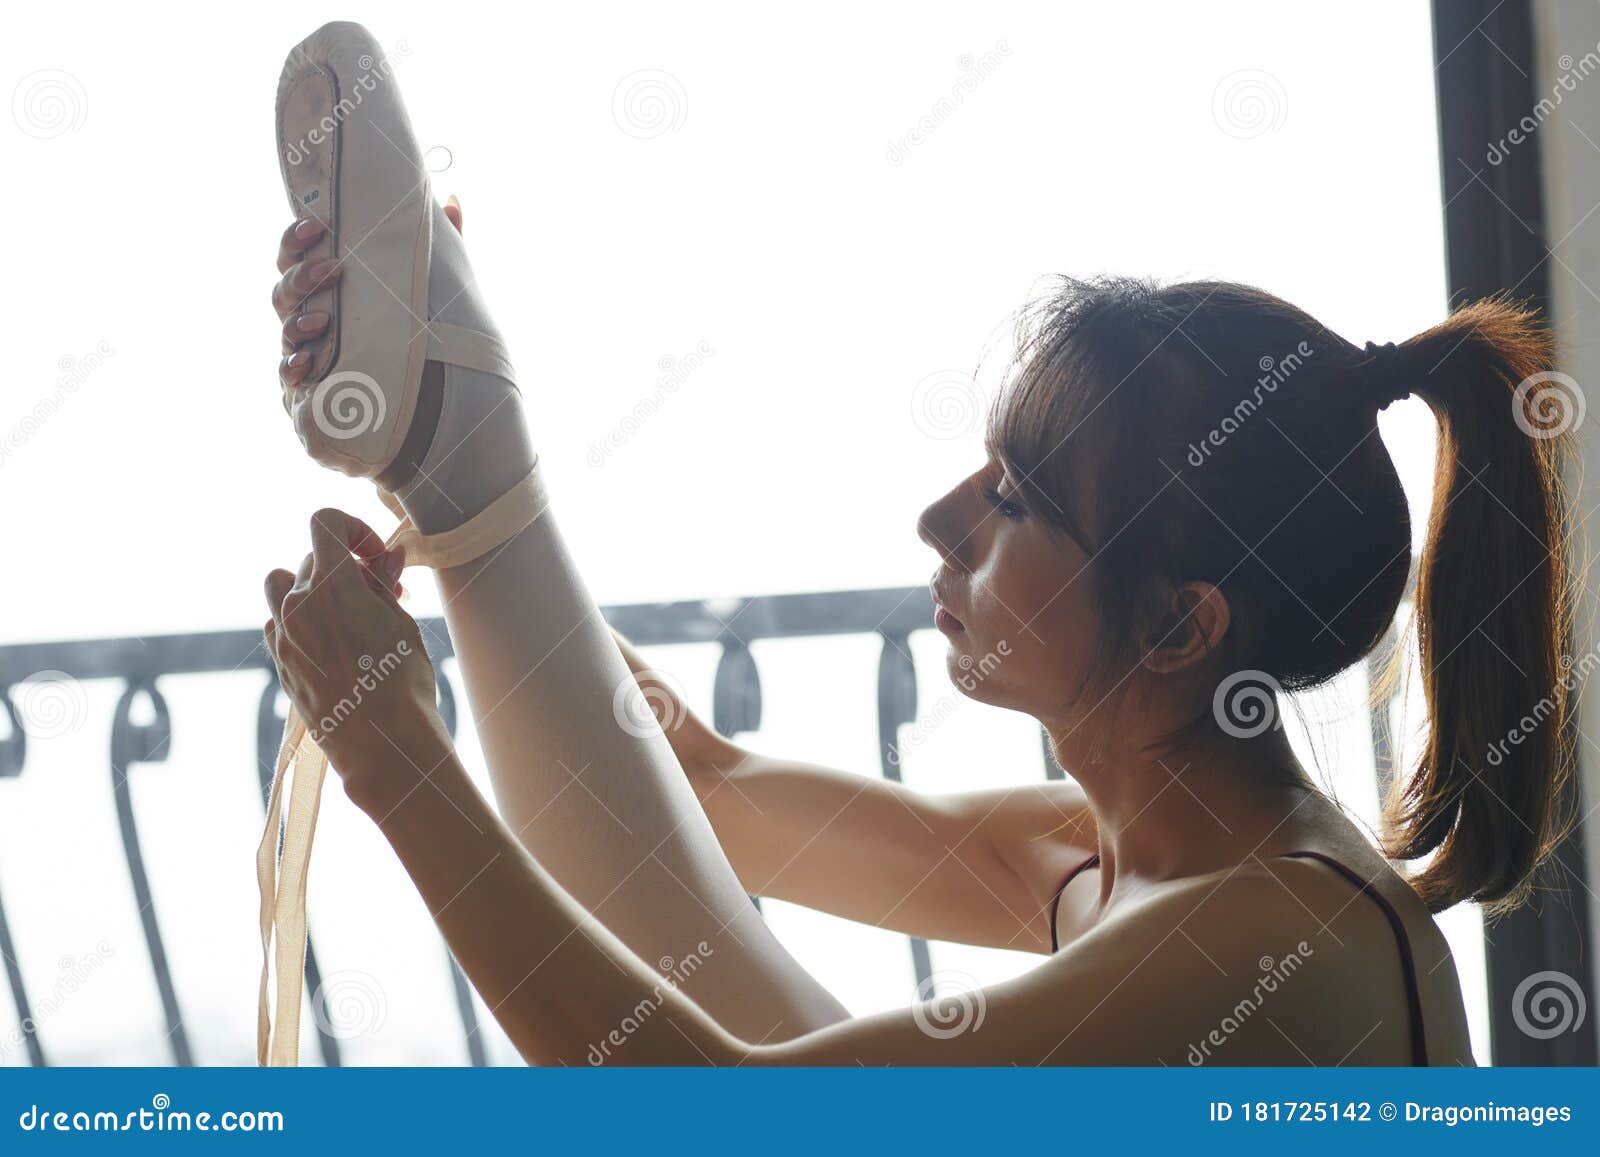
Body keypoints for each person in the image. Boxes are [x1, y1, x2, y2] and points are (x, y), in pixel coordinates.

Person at [266, 213, 1575, 1064]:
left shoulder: (1278, 943)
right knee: (710, 955)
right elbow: (704, 798)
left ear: (1179, 622)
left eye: (1015, 498)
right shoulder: (1122, 854)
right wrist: (459, 466)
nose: (939, 520)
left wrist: (394, 760)